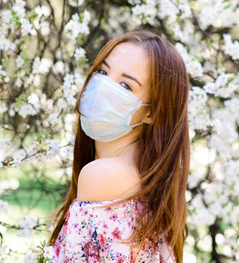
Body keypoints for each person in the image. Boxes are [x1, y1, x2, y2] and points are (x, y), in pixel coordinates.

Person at [49, 30, 190, 263]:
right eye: (102, 72)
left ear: (153, 111)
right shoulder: (146, 183)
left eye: (125, 85)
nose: (104, 86)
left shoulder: (103, 177)